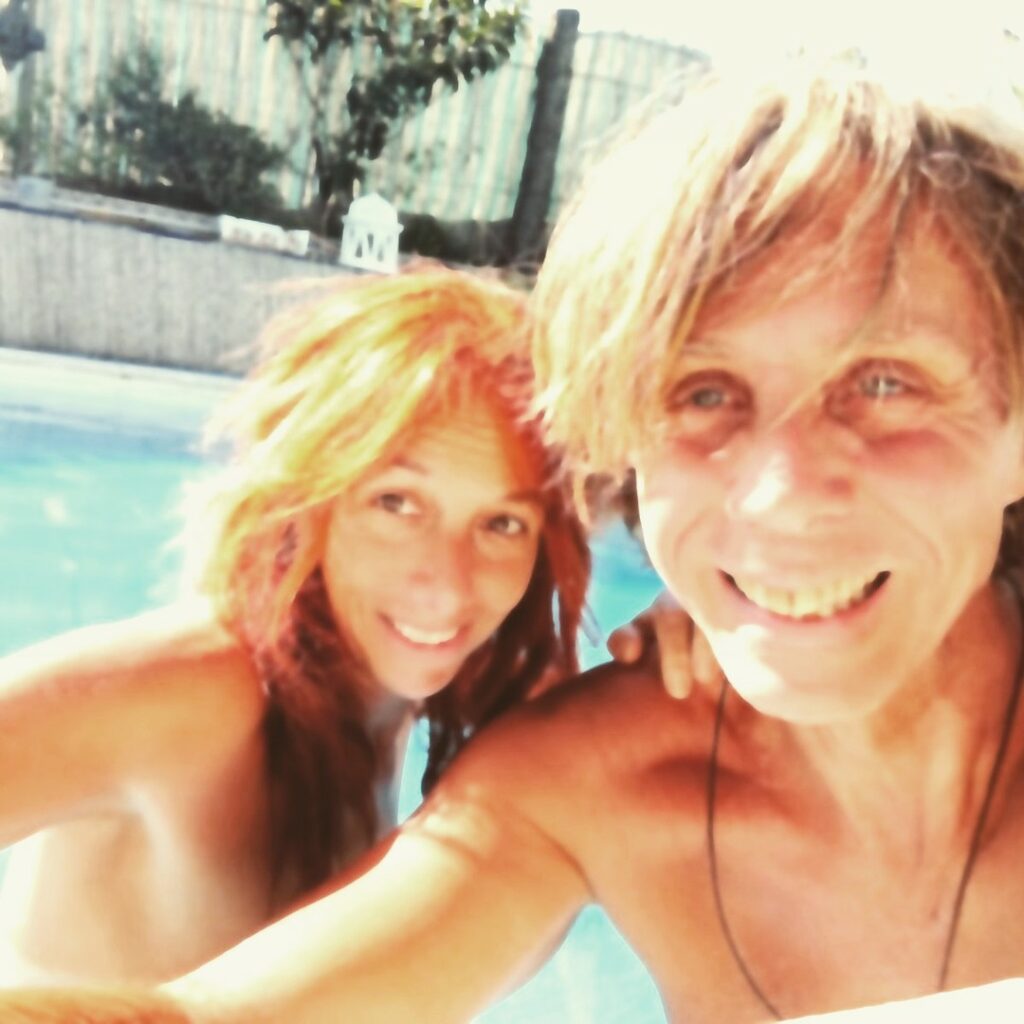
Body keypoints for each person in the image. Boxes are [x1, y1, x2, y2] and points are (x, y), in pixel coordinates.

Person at [10, 45, 1024, 1024]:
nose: (780, 500)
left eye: (885, 383)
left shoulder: (449, 714)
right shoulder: (572, 775)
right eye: (702, 393)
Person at [0, 266, 590, 987]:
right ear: (310, 499)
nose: (447, 582)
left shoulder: (385, 705)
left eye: (502, 523)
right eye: (396, 503)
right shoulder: (193, 693)